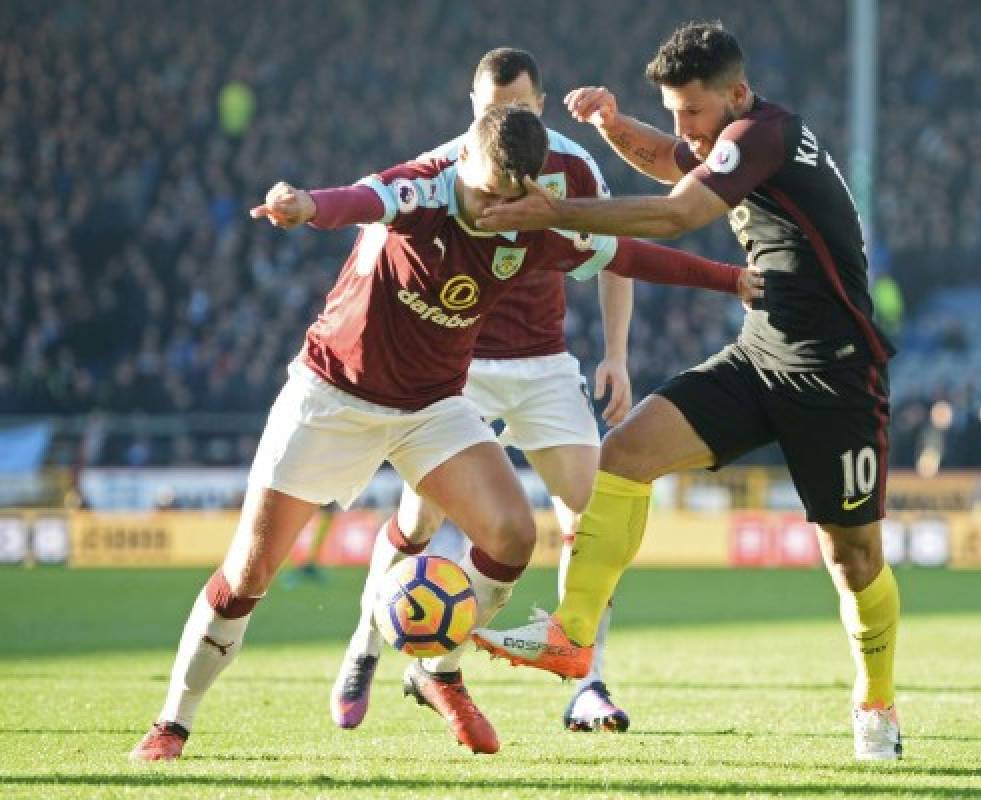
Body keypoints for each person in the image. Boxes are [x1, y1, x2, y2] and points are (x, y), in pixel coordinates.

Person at [129, 104, 762, 761]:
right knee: (248, 574)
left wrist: (732, 279)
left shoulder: (529, 219)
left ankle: (438, 667)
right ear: (464, 161)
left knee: (514, 535)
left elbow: (628, 254)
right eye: (486, 192)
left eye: (510, 197)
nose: (495, 209)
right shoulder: (421, 191)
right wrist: (303, 205)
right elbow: (353, 200)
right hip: (331, 397)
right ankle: (172, 722)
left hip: (431, 407)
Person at [471, 22, 902, 760]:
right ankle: (573, 639)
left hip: (834, 374)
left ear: (736, 95)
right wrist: (611, 126)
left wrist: (557, 212)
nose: (683, 129)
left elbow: (675, 212)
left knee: (853, 559)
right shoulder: (730, 137)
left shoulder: (767, 133)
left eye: (694, 112)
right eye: (673, 111)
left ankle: (876, 705)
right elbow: (668, 158)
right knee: (625, 453)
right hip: (761, 352)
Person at [332, 48, 637, 737]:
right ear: (473, 104)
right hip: (458, 368)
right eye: (495, 107)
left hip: (546, 364)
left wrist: (615, 354)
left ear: (541, 103)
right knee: (417, 525)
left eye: (521, 108)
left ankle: (585, 681)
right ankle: (366, 644)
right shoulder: (445, 167)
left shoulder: (575, 167)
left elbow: (619, 253)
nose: (507, 118)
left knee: (596, 515)